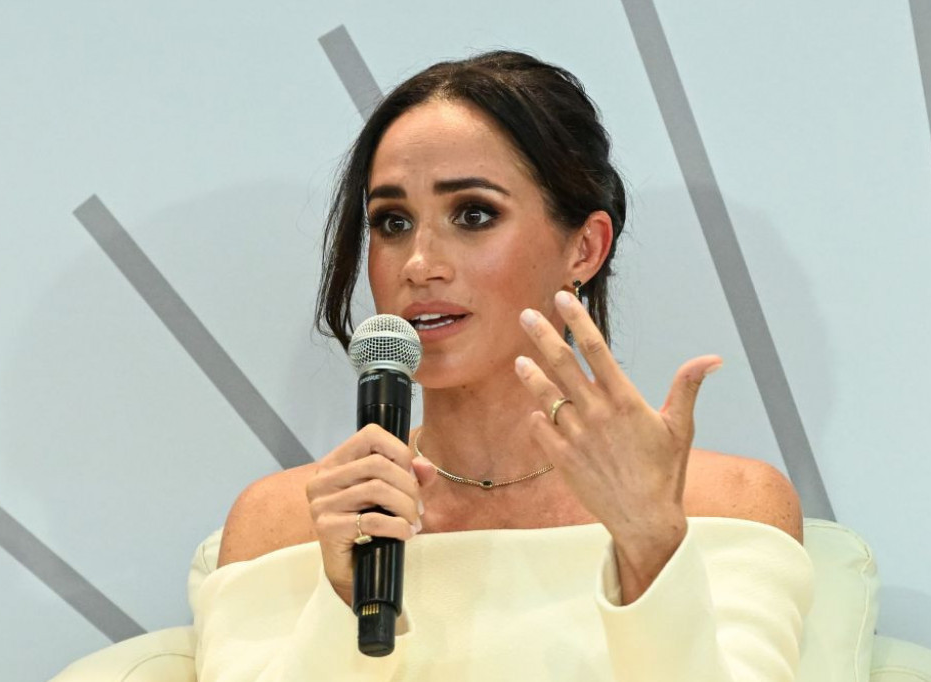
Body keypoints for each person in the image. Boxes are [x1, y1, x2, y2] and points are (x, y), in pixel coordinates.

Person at [195, 50, 809, 680]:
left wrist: (652, 547)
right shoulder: (281, 523)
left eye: (474, 215)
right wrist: (344, 599)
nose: (419, 264)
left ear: (585, 247)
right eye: (393, 222)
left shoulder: (730, 504)